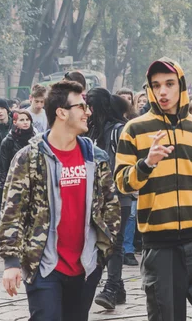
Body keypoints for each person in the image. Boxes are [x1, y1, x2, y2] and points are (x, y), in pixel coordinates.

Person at [115, 58, 192, 321]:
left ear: (181, 86)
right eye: (156, 85)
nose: (163, 91)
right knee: (165, 316)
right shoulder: (134, 129)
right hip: (160, 243)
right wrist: (147, 164)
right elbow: (122, 182)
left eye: (169, 84)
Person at [0, 80, 120, 320]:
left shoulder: (96, 157)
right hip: (44, 266)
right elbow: (13, 211)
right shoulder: (29, 158)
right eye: (81, 106)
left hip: (86, 267)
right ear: (62, 112)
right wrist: (11, 262)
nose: (87, 112)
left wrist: (101, 254)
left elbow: (111, 205)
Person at [85, 88, 134, 310]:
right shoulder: (89, 130)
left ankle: (112, 287)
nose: (89, 110)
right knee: (101, 241)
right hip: (94, 196)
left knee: (115, 241)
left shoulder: (118, 130)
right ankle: (119, 286)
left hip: (118, 194)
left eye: (92, 105)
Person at [0, 110, 35, 214]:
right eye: (22, 120)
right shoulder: (8, 141)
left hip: (33, 182)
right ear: (15, 122)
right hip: (15, 183)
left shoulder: (36, 139)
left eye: (27, 119)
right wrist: (4, 189)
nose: (25, 122)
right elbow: (3, 167)